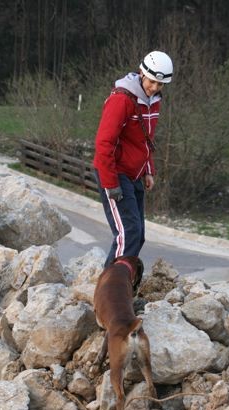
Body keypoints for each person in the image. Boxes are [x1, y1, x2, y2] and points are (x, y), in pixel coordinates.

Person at [93, 50, 173, 267]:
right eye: (152, 82)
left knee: (138, 236)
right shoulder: (121, 100)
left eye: (160, 84)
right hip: (114, 173)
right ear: (142, 73)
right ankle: (110, 292)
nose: (155, 87)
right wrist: (111, 184)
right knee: (128, 234)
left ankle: (123, 287)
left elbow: (145, 139)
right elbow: (103, 143)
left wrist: (148, 169)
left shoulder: (153, 100)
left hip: (135, 173)